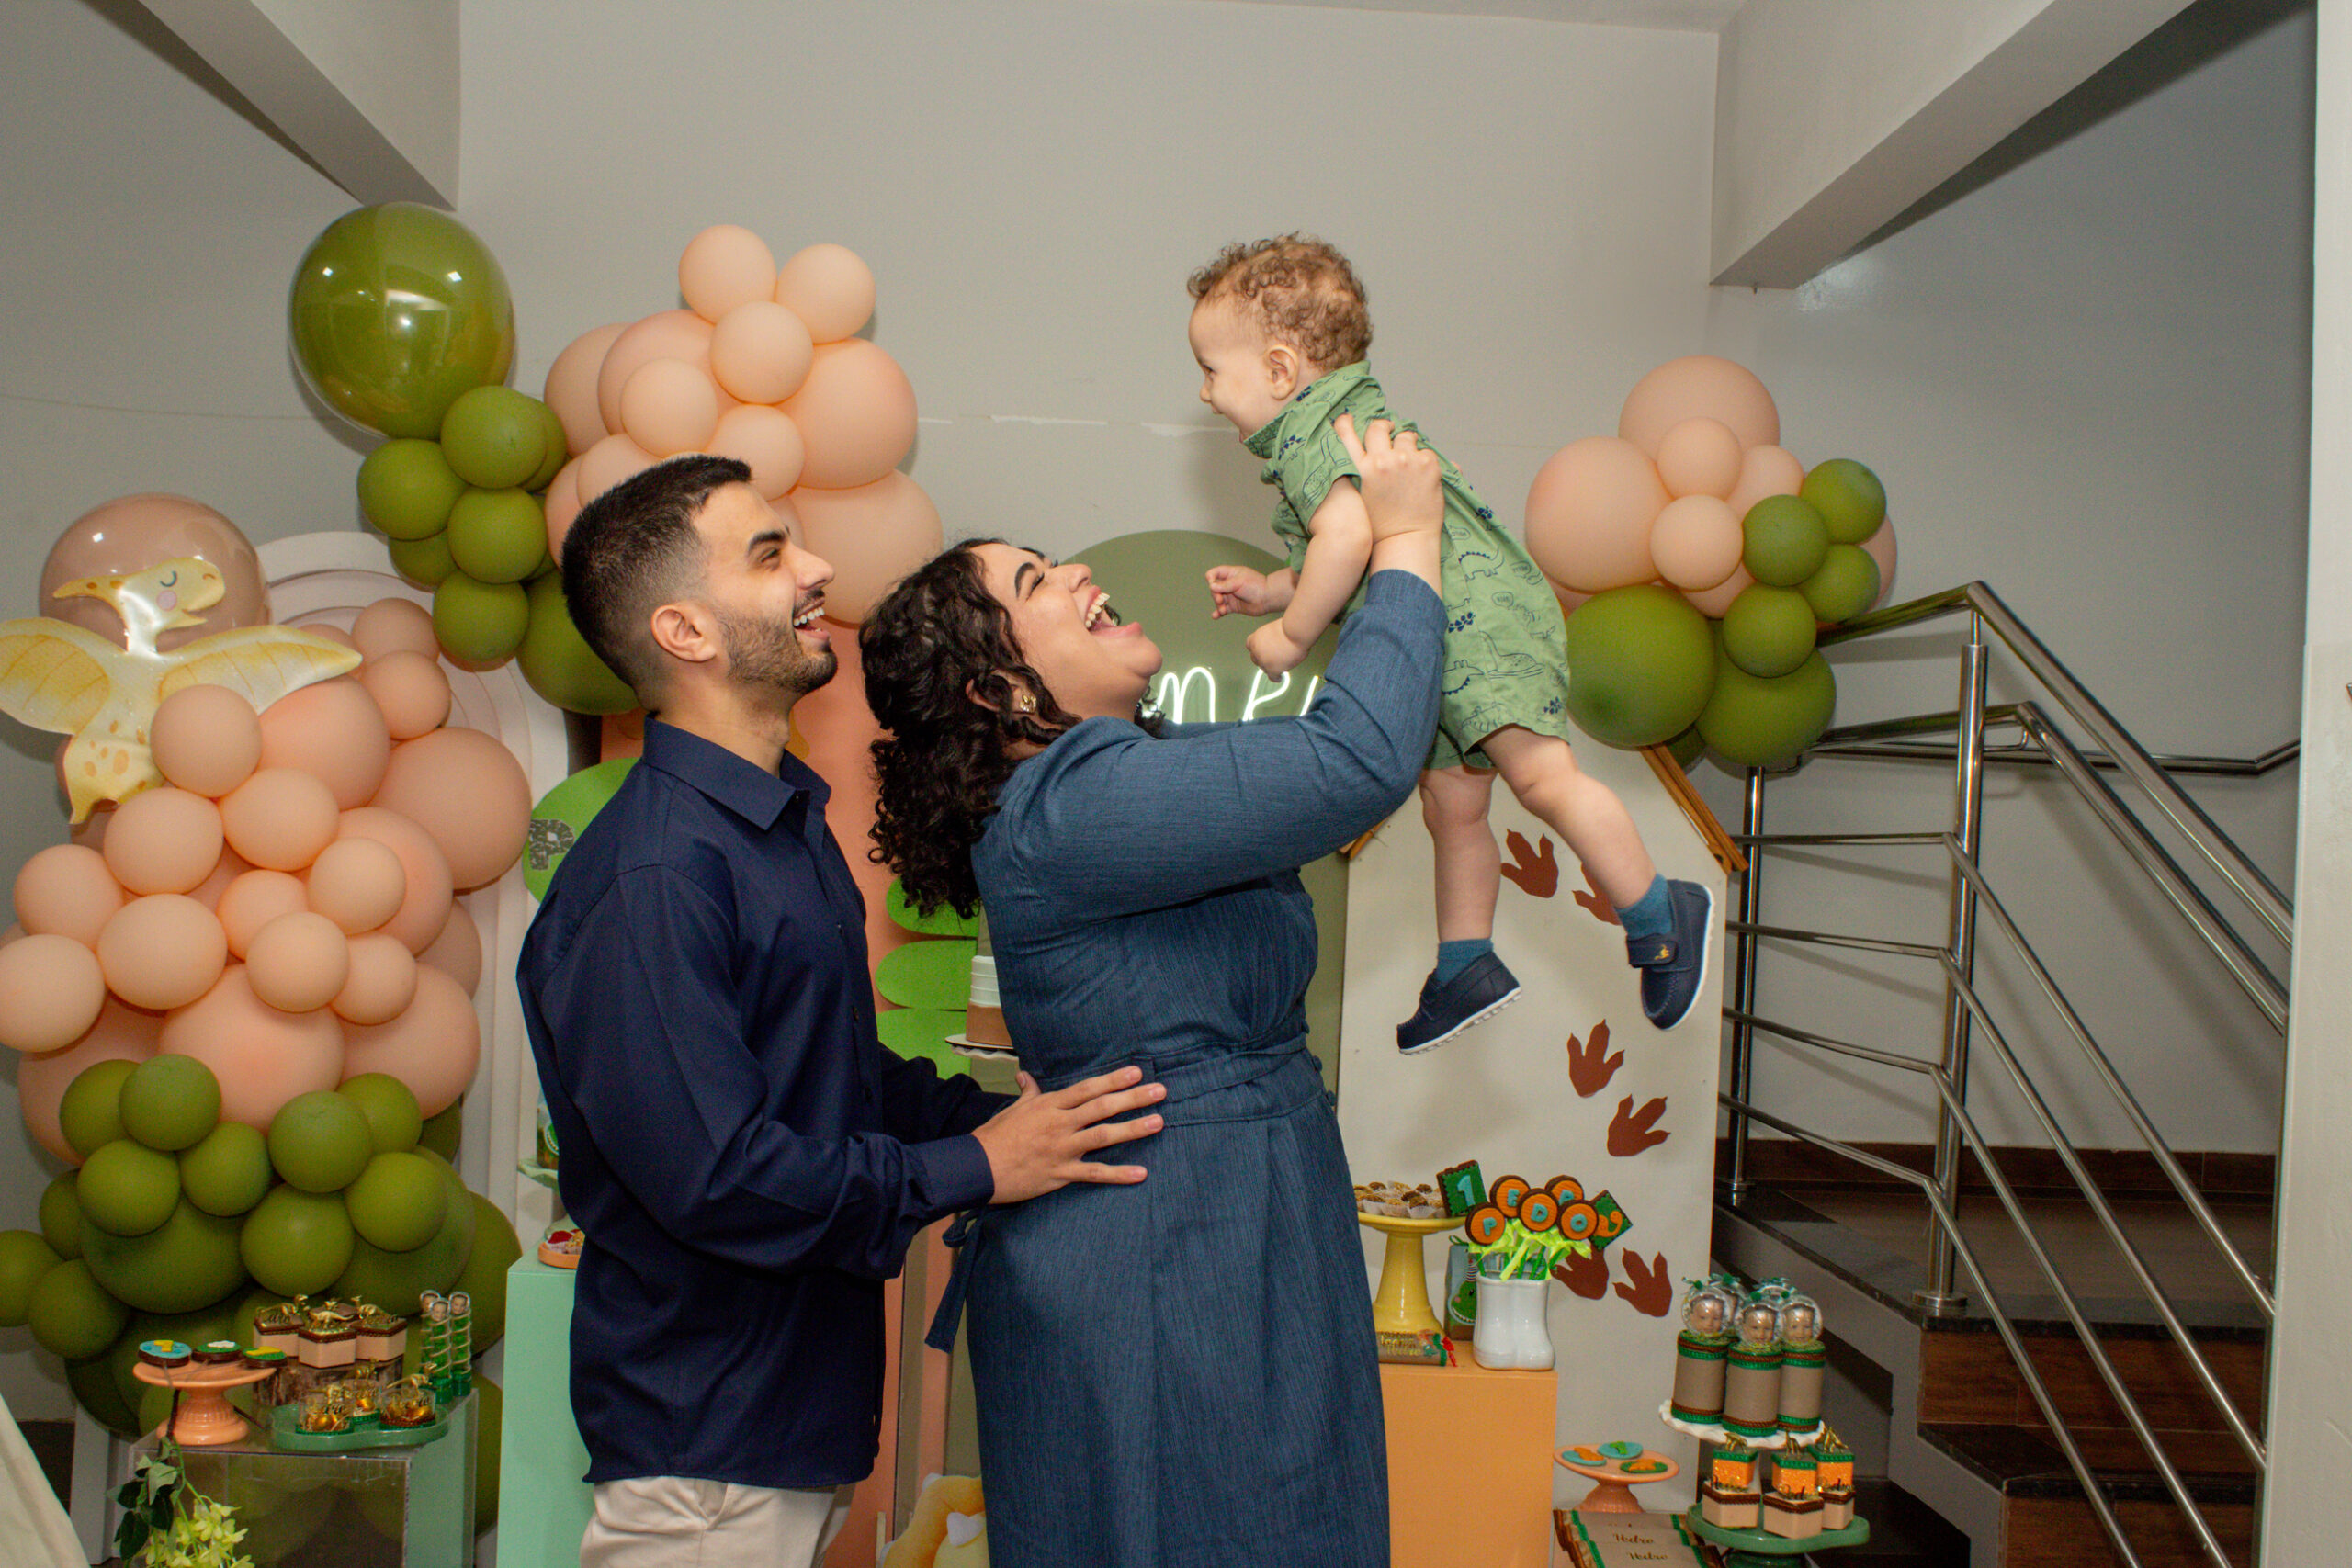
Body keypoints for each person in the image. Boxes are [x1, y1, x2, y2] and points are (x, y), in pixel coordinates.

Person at [518, 454, 1167, 1568]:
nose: (818, 568)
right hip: (706, 1450)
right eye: (770, 554)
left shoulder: (780, 829)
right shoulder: (653, 880)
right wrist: (977, 1167)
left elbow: (837, 1075)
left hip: (781, 1430)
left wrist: (1018, 1116)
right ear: (686, 632)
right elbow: (720, 1176)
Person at [861, 415, 1444, 1568]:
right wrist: (1409, 541)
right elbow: (1356, 760)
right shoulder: (1071, 800)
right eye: (1034, 581)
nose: (1076, 573)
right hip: (1167, 1249)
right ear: (995, 687)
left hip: (1225, 1217)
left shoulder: (1100, 789)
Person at [1191, 234, 1713, 1050]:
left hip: (1478, 624)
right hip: (1437, 626)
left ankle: (1659, 910)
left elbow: (1347, 534)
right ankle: (1465, 960)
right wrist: (1269, 589)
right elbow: (1340, 547)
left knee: (1541, 778)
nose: (1207, 392)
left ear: (1282, 370)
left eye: (1214, 370)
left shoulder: (1313, 434)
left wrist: (1291, 635)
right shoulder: (1337, 423)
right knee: (1453, 805)